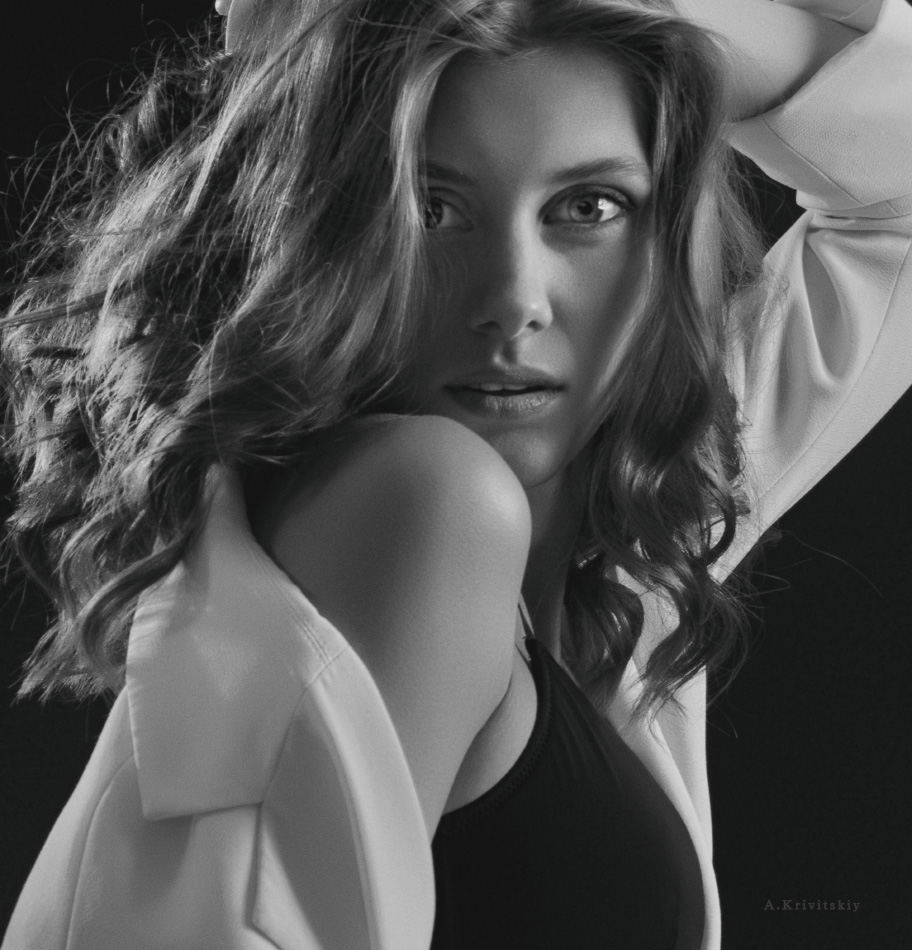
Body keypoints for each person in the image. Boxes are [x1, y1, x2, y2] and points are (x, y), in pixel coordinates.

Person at [1, 0, 910, 947]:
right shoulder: (423, 506)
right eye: (429, 209)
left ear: (666, 237)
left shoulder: (621, 522)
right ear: (330, 229)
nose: (515, 299)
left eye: (589, 208)